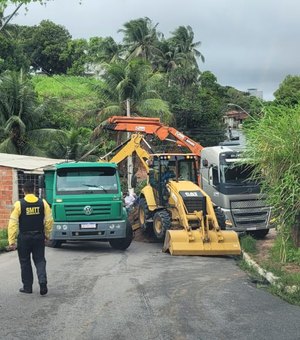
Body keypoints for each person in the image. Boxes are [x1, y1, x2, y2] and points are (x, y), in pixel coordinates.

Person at [7, 181, 53, 295]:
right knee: (40, 260)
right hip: (38, 236)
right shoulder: (43, 203)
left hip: (24, 237)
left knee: (25, 262)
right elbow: (49, 220)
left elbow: (12, 223)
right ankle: (42, 282)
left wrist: (11, 241)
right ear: (34, 190)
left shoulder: (19, 204)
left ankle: (27, 287)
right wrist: (47, 234)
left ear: (23, 190)